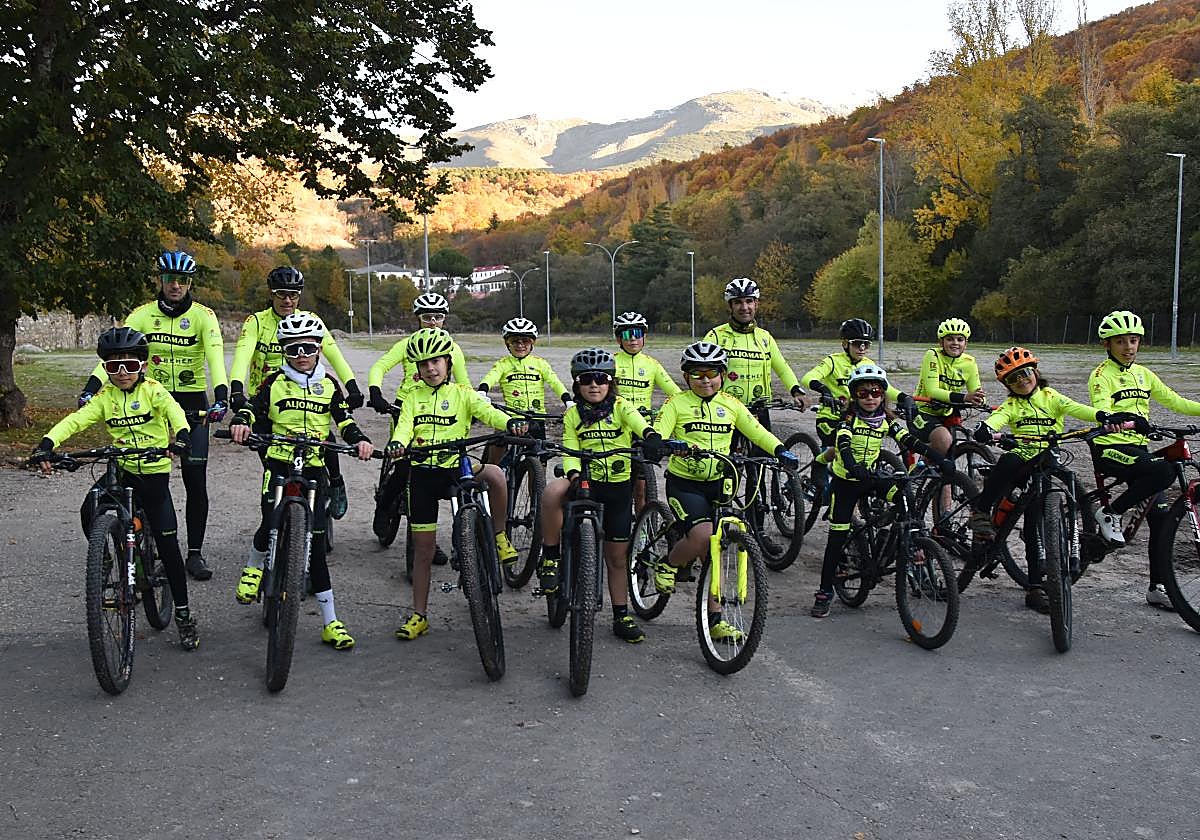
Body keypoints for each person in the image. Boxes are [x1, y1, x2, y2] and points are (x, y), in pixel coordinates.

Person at [37, 327, 199, 650]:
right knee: (89, 507)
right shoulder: (105, 398)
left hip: (153, 476)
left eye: (129, 365)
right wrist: (47, 443)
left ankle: (183, 615)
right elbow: (77, 421)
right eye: (113, 367)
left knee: (169, 548)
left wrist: (181, 436)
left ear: (143, 365)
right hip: (123, 471)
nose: (122, 373)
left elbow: (176, 415)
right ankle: (109, 556)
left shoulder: (154, 391)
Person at [78, 250, 227, 581]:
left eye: (183, 280)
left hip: (191, 402)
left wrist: (222, 397)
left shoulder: (204, 316)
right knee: (143, 470)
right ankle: (148, 538)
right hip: (152, 400)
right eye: (170, 279)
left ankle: (195, 553)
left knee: (194, 477)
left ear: (190, 283)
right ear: (160, 280)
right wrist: (90, 388)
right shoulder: (142, 315)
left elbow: (216, 358)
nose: (176, 286)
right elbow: (116, 354)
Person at [229, 313, 373, 651]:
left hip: (313, 466)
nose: (301, 355)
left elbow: (345, 421)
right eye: (292, 349)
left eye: (307, 347)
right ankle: (253, 569)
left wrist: (360, 439)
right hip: (279, 460)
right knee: (270, 518)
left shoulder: (329, 385)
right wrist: (241, 421)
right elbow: (253, 410)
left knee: (317, 544)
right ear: (283, 351)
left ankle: (330, 621)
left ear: (320, 348)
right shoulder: (274, 382)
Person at [969, 347, 1136, 613]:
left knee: (1036, 524)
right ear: (1007, 385)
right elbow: (998, 418)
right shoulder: (1012, 405)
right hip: (1023, 461)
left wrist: (1103, 416)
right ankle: (981, 510)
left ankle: (1036, 586)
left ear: (1035, 372)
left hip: (1048, 462)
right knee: (1008, 461)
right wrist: (987, 428)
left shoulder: (1051, 396)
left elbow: (1077, 408)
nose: (1022, 381)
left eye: (1025, 374)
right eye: (1013, 379)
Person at [651, 342, 797, 640]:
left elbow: (756, 431)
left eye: (712, 373)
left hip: (720, 481)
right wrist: (666, 444)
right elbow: (660, 431)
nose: (705, 379)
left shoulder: (731, 404)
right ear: (686, 376)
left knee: (713, 551)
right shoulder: (675, 404)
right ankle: (668, 563)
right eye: (697, 373)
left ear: (723, 374)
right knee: (703, 535)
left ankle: (715, 619)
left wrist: (780, 450)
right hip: (685, 484)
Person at [385, 328, 522, 641]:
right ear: (417, 370)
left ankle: (499, 536)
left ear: (447, 362)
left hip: (455, 470)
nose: (431, 369)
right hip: (422, 476)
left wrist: (510, 423)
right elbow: (404, 427)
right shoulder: (412, 398)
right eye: (423, 364)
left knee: (496, 475)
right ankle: (419, 614)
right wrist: (397, 442)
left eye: (436, 362)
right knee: (423, 551)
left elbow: (489, 412)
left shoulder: (463, 393)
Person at [538, 348, 667, 644]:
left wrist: (650, 437)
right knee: (552, 491)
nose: (594, 385)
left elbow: (639, 424)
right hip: (585, 481)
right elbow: (569, 446)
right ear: (576, 384)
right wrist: (572, 474)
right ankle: (551, 557)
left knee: (617, 558)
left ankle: (621, 614)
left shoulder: (621, 406)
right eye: (586, 379)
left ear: (611, 382)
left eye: (601, 378)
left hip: (618, 487)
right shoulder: (573, 415)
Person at [811, 363, 951, 618]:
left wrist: (940, 459)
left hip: (871, 477)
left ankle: (908, 549)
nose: (870, 398)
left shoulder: (886, 420)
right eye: (863, 393)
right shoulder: (848, 420)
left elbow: (910, 441)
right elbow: (843, 445)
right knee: (836, 538)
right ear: (854, 396)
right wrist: (853, 467)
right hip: (847, 483)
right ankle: (824, 592)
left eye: (876, 392)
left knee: (905, 499)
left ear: (883, 395)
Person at [229, 266, 364, 520]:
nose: (288, 300)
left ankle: (335, 482)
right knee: (274, 463)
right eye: (281, 294)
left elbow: (333, 353)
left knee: (326, 437)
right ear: (272, 294)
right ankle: (278, 523)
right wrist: (236, 389)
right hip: (270, 402)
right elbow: (243, 354)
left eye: (294, 294)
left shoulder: (309, 320)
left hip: (307, 396)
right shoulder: (257, 322)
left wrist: (353, 386)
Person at [1087, 310, 1200, 608]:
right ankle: (1111, 512)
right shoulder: (1101, 375)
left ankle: (1157, 587)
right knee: (1164, 472)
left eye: (1133, 340)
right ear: (1107, 345)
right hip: (1110, 448)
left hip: (1138, 451)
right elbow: (1102, 406)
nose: (1128, 347)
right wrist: (1121, 419)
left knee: (1161, 520)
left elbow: (1175, 401)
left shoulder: (1144, 374)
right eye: (1120, 341)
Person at [368, 292, 470, 545]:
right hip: (407, 408)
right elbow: (380, 366)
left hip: (440, 412)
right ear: (418, 319)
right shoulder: (408, 344)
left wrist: (471, 408)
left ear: (445, 319)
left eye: (438, 317)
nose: (433, 322)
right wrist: (376, 392)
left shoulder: (452, 348)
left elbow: (464, 382)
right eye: (427, 317)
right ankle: (384, 504)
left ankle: (427, 540)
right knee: (405, 467)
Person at [801, 318, 915, 494]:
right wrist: (824, 390)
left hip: (858, 418)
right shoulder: (833, 361)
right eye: (857, 344)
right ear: (845, 343)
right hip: (831, 418)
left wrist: (904, 397)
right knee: (838, 447)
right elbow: (808, 378)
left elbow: (887, 388)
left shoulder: (868, 365)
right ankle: (821, 462)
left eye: (866, 344)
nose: (862, 348)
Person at [613, 311, 681, 511]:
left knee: (641, 489)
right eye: (626, 334)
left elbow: (675, 393)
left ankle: (642, 534)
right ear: (618, 339)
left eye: (637, 333)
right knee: (620, 484)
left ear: (644, 337)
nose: (632, 338)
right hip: (618, 429)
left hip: (643, 428)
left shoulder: (652, 364)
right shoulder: (612, 362)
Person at [478, 316, 569, 464]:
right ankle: (489, 475)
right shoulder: (503, 364)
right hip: (510, 417)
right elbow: (490, 378)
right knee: (498, 441)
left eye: (525, 341)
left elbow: (555, 382)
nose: (520, 345)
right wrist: (482, 392)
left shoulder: (540, 364)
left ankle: (538, 487)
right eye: (515, 341)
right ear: (507, 343)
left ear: (532, 342)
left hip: (536, 418)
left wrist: (568, 402)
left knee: (539, 460)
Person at [911, 317, 988, 457]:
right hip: (924, 411)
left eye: (960, 339)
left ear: (966, 343)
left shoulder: (969, 362)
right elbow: (932, 392)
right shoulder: (932, 355)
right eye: (950, 339)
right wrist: (965, 397)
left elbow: (976, 390)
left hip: (947, 412)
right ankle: (923, 467)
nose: (955, 343)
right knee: (944, 440)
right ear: (941, 342)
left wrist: (980, 400)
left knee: (964, 435)